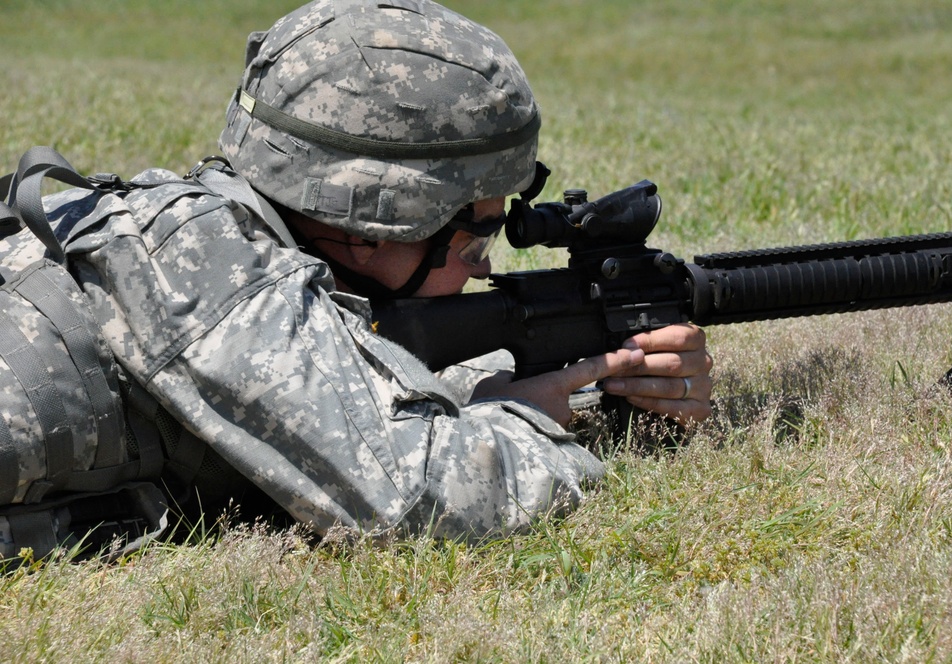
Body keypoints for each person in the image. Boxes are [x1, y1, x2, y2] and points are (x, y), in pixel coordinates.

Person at [5, 0, 712, 550]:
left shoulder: (229, 240)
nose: (485, 268)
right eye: (473, 242)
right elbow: (416, 498)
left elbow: (336, 366)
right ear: (375, 223)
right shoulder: (215, 273)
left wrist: (533, 383)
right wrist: (557, 425)